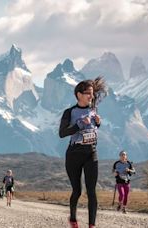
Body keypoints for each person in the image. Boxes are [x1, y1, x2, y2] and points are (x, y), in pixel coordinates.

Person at [59, 77, 107, 228]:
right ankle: (73, 218)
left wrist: (98, 123)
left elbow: (92, 129)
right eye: (88, 93)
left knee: (91, 191)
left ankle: (92, 225)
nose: (91, 96)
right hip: (74, 154)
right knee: (77, 191)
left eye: (92, 93)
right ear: (79, 94)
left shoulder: (93, 110)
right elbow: (62, 133)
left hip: (91, 152)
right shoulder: (69, 112)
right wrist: (80, 124)